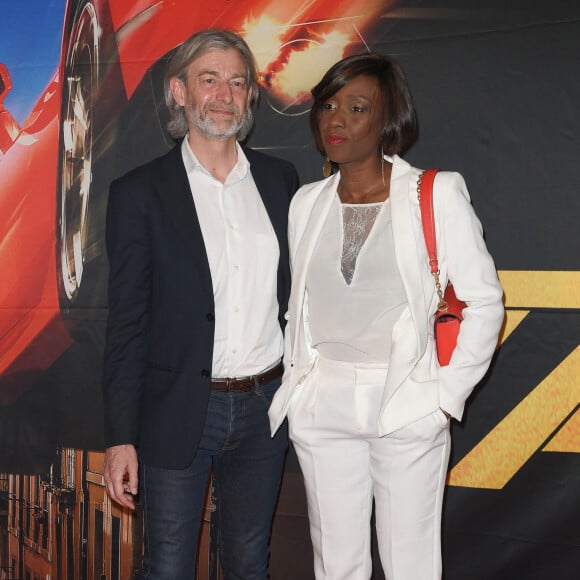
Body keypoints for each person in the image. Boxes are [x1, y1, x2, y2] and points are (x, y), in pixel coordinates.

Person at [268, 53, 504, 580]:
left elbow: (485, 302)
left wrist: (443, 398)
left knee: (410, 567)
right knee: (335, 566)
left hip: (404, 400)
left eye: (356, 108)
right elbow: (297, 309)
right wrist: (299, 389)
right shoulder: (306, 202)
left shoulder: (435, 194)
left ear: (387, 120)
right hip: (322, 403)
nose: (337, 120)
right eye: (328, 105)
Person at [102, 29, 299, 579]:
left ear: (250, 98)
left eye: (237, 82)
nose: (223, 93)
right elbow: (126, 325)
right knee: (166, 568)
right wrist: (120, 437)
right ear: (179, 92)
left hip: (265, 409)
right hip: (178, 409)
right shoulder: (138, 193)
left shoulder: (281, 182)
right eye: (208, 79)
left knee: (247, 565)